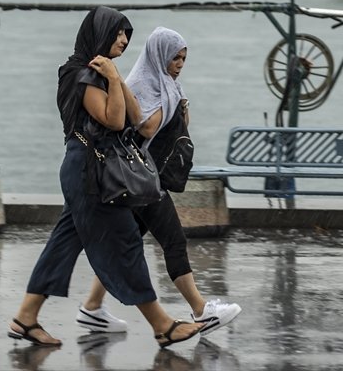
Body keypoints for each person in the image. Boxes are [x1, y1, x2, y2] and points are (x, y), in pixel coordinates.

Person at [8, 7, 202, 349]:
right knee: (125, 239)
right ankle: (161, 325)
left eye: (126, 34)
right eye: (117, 33)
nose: (124, 40)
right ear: (99, 34)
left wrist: (117, 79)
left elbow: (136, 117)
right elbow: (114, 121)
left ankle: (26, 317)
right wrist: (113, 79)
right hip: (89, 170)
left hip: (88, 168)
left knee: (64, 243)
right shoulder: (81, 74)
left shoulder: (101, 71)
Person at [77, 26, 242, 336]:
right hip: (140, 178)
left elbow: (179, 125)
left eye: (183, 59)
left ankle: (91, 307)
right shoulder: (140, 83)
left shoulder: (166, 84)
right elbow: (148, 127)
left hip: (150, 176)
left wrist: (180, 103)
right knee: (173, 240)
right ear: (159, 54)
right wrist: (171, 100)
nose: (179, 65)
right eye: (175, 58)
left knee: (125, 245)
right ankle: (201, 310)